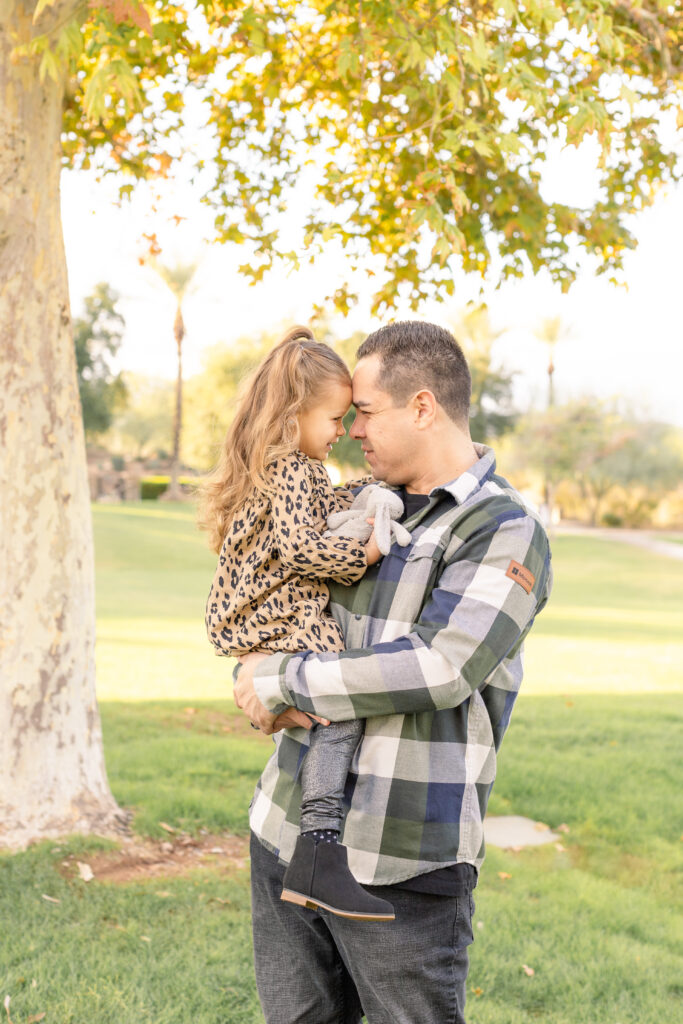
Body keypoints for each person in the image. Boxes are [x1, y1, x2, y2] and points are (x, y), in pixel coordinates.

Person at [234, 321, 553, 1024]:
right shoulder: (351, 504)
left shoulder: (499, 529)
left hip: (400, 861)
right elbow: (274, 595)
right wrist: (256, 659)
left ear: (421, 406)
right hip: (283, 829)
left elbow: (442, 666)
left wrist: (280, 679)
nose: (351, 431)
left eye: (366, 412)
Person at [201, 326, 395, 922]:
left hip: (264, 606)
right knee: (341, 699)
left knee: (328, 703)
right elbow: (302, 550)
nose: (342, 432)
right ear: (295, 413)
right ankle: (319, 847)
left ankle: (316, 851)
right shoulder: (292, 469)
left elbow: (319, 510)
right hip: (273, 607)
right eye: (335, 419)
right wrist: (363, 555)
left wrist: (373, 488)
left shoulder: (290, 467)